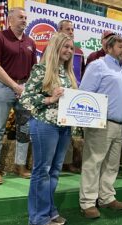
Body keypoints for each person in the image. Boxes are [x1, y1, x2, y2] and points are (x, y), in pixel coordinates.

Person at [20, 32, 77, 225]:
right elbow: (25, 98)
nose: (69, 51)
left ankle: (50, 212)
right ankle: (38, 218)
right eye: (66, 47)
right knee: (42, 171)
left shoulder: (69, 73)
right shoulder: (41, 69)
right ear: (55, 47)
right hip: (45, 124)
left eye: (71, 48)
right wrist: (50, 99)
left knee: (54, 171)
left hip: (63, 127)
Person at [79, 35, 122, 219]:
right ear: (109, 48)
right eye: (120, 46)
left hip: (120, 125)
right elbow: (85, 94)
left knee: (111, 165)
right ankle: (87, 202)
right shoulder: (98, 65)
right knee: (93, 162)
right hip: (101, 123)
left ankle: (106, 197)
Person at [0, 7, 37, 184]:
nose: (24, 20)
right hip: (3, 88)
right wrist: (15, 86)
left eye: (25, 17)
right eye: (20, 17)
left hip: (24, 89)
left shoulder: (30, 42)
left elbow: (34, 70)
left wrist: (27, 88)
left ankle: (20, 165)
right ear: (10, 20)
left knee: (24, 129)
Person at [56, 19, 84, 174]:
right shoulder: (52, 49)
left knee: (68, 130)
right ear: (59, 31)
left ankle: (65, 162)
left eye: (73, 29)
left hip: (72, 95)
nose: (71, 32)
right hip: (56, 95)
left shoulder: (77, 52)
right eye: (68, 29)